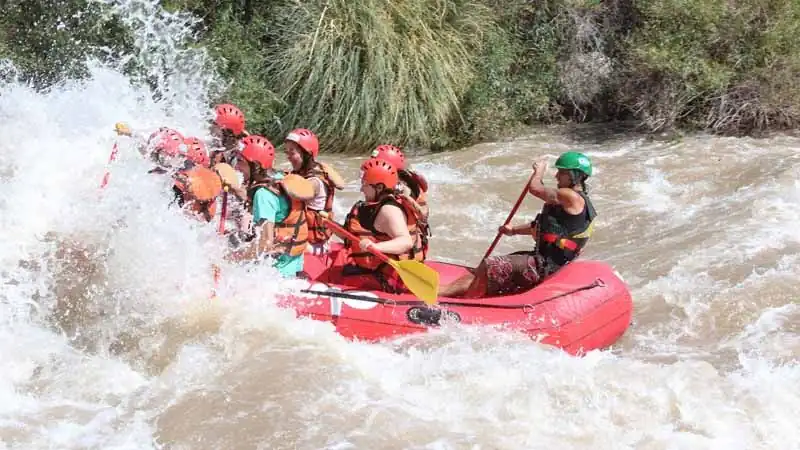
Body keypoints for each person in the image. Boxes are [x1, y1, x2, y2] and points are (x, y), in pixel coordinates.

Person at [439, 151, 596, 298]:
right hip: (542, 260)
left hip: (548, 266)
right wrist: (513, 230)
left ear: (573, 176)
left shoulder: (569, 196)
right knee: (482, 270)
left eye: (561, 173)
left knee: (491, 265)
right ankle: (444, 292)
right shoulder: (572, 202)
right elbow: (543, 229)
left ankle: (466, 303)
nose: (556, 176)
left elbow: (535, 188)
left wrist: (539, 172)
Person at [225, 135, 313, 278]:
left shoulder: (263, 194)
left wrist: (231, 258)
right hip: (294, 264)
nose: (236, 167)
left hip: (277, 272)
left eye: (240, 161)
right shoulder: (280, 178)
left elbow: (265, 243)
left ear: (256, 166)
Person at [335, 158, 427, 293]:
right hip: (376, 271)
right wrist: (329, 226)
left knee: (344, 278)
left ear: (379, 187)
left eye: (365, 184)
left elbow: (405, 241)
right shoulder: (374, 206)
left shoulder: (388, 210)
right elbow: (351, 236)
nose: (361, 189)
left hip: (388, 278)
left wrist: (376, 247)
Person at [283, 128, 345, 254]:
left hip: (315, 246)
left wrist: (277, 181)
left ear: (307, 154)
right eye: (286, 151)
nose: (288, 156)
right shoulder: (315, 169)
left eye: (292, 152)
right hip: (306, 238)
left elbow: (295, 192)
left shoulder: (314, 182)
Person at [370, 144, 431, 258]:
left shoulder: (399, 188)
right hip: (413, 246)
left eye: (375, 163)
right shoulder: (407, 181)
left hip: (402, 253)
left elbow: (422, 215)